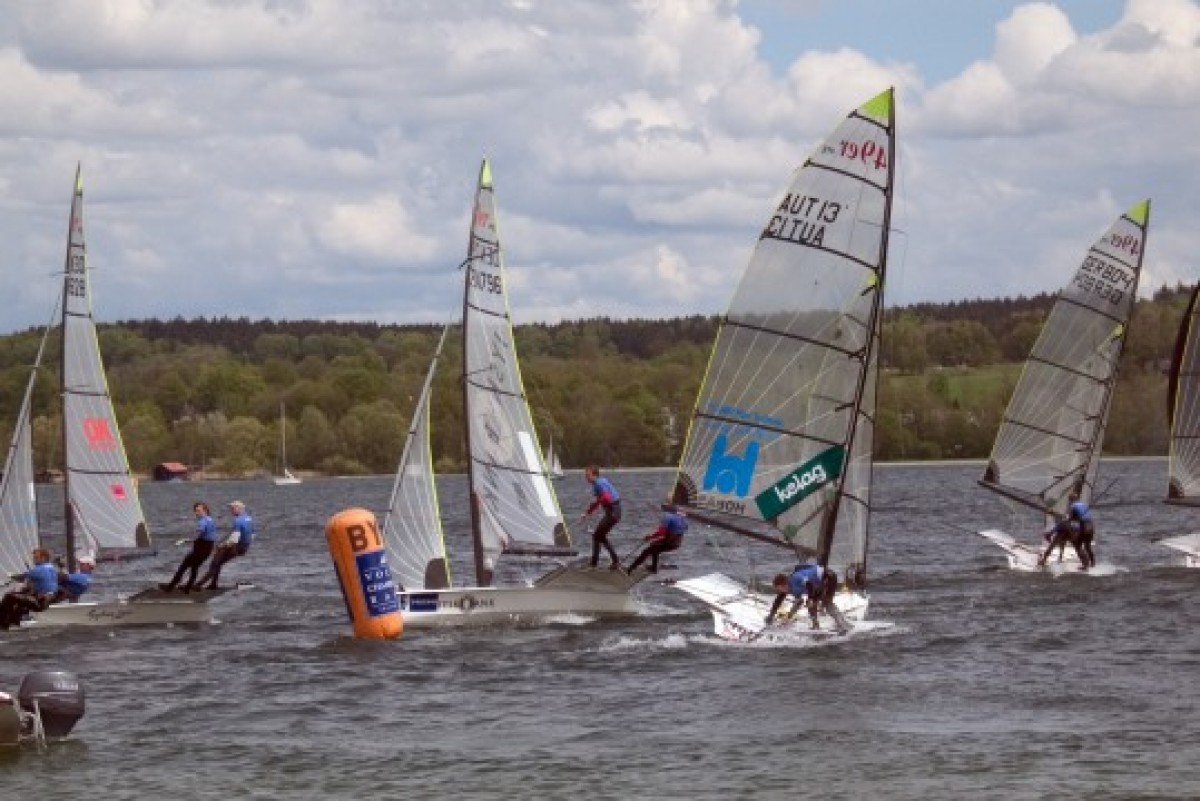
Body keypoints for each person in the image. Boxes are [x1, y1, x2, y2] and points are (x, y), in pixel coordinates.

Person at [765, 560, 846, 632]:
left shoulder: (795, 578)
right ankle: (816, 625)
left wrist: (810, 599)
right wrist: (786, 617)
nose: (779, 592)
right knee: (810, 604)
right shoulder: (792, 589)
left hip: (828, 576)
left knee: (825, 602)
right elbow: (796, 602)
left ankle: (842, 624)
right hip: (818, 584)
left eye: (779, 589)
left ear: (783, 585)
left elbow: (809, 584)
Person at [195, 500, 255, 590]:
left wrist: (223, 545)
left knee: (215, 563)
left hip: (236, 547)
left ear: (239, 508)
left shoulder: (238, 521)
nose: (231, 510)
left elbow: (234, 539)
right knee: (218, 562)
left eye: (233, 508)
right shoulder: (249, 519)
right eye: (231, 508)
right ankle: (213, 584)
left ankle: (198, 585)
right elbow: (252, 534)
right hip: (244, 547)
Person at [160, 501, 219, 592]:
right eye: (195, 511)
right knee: (194, 568)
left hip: (201, 549)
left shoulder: (202, 522)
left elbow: (197, 535)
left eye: (199, 511)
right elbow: (213, 535)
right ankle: (187, 588)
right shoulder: (210, 519)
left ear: (205, 510)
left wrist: (184, 540)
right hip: (207, 549)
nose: (197, 513)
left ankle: (170, 587)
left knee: (183, 567)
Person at [0, 548, 59, 630]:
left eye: (36, 558)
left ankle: (3, 624)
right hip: (47, 599)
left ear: (44, 558)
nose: (34, 560)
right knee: (20, 597)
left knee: (9, 596)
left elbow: (21, 577)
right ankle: (14, 622)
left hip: (40, 601)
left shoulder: (40, 569)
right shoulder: (52, 568)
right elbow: (35, 580)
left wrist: (10, 575)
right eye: (34, 558)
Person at [579, 465, 622, 569]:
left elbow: (607, 498)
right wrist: (588, 512)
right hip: (613, 512)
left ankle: (596, 563)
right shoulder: (599, 482)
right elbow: (599, 501)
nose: (586, 478)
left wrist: (598, 501)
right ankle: (613, 561)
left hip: (613, 512)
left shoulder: (599, 483)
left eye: (588, 475)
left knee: (597, 536)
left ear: (594, 475)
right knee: (599, 536)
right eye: (585, 475)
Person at [626, 502, 687, 574]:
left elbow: (661, 533)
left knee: (647, 551)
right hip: (677, 542)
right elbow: (684, 528)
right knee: (654, 548)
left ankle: (631, 568)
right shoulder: (681, 518)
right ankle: (654, 568)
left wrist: (650, 537)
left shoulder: (668, 517)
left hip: (670, 542)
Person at [1068, 491, 1097, 569]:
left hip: (1084, 527)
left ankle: (1085, 565)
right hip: (1091, 526)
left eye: (1069, 500)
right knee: (1087, 546)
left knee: (1077, 545)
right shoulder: (1084, 505)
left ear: (1070, 500)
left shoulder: (1073, 506)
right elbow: (1083, 516)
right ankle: (1093, 563)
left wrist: (1067, 519)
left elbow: (1071, 519)